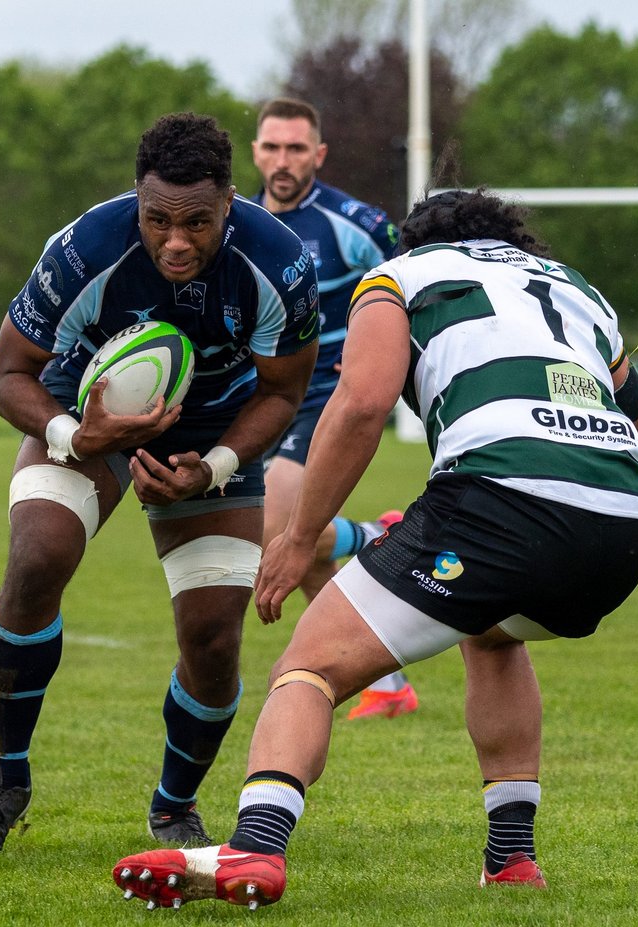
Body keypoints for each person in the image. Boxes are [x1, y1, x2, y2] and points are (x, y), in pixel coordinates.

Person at [112, 187, 638, 909]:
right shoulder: (576, 287)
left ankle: (256, 846)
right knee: (490, 632)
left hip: (500, 499)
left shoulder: (399, 276)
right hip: (627, 518)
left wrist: (299, 537)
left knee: (308, 667)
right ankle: (512, 859)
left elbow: (362, 403)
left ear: (415, 241)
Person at [0, 113, 319, 856]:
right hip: (89, 413)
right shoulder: (85, 248)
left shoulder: (278, 262)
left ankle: (175, 805)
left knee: (214, 637)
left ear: (231, 204)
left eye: (198, 223)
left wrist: (210, 467)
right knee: (37, 556)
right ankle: (5, 777)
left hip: (213, 432)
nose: (176, 241)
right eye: (158, 220)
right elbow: (6, 375)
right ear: (136, 201)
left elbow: (281, 392)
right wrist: (74, 436)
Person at [250, 97, 417, 722]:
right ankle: (390, 679)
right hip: (262, 399)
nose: (283, 159)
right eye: (272, 146)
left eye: (297, 148)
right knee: (303, 548)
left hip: (322, 400)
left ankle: (370, 537)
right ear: (257, 151)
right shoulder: (238, 223)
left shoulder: (355, 222)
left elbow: (415, 285)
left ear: (318, 155)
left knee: (280, 533)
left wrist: (384, 354)